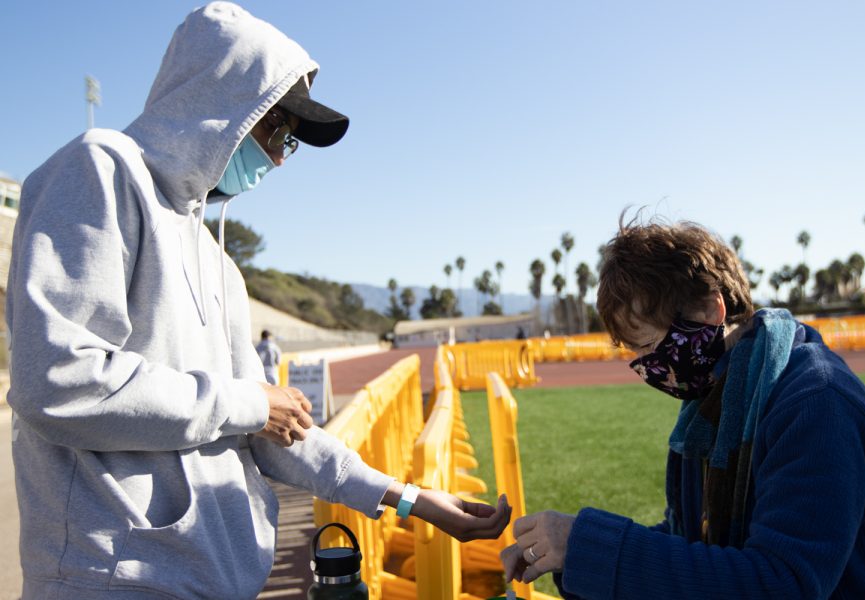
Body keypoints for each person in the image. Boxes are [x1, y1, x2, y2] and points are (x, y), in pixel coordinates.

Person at [7, 3, 509, 598]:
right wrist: (246, 403)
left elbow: (271, 429)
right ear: (217, 107)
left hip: (217, 578)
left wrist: (406, 497)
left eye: (290, 142)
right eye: (274, 128)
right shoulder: (101, 169)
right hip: (114, 580)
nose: (277, 157)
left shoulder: (221, 266)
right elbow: (57, 379)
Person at [501, 215, 865, 598]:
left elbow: (782, 582)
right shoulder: (717, 401)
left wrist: (589, 546)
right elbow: (692, 542)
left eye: (648, 343)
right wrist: (571, 556)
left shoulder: (816, 403)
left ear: (711, 310)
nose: (646, 365)